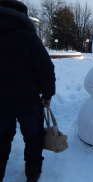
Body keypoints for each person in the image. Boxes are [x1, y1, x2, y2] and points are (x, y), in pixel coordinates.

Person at [0, 1, 56, 181]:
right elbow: (45, 68)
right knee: (33, 139)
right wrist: (47, 95)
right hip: (29, 101)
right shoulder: (28, 37)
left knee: (0, 140)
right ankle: (32, 174)